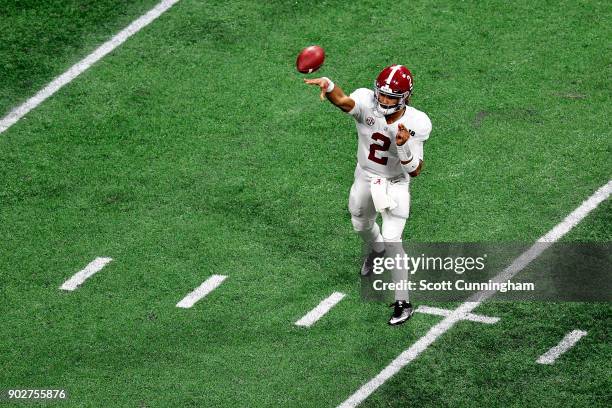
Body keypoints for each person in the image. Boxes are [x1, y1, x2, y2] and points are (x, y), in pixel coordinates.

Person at [304, 65, 432, 325]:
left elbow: (416, 169)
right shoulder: (366, 101)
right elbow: (343, 101)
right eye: (381, 94)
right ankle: (376, 250)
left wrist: (404, 145)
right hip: (365, 175)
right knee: (360, 224)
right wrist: (328, 85)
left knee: (393, 238)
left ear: (405, 97)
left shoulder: (417, 122)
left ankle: (403, 302)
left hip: (394, 182)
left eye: (390, 97)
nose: (383, 100)